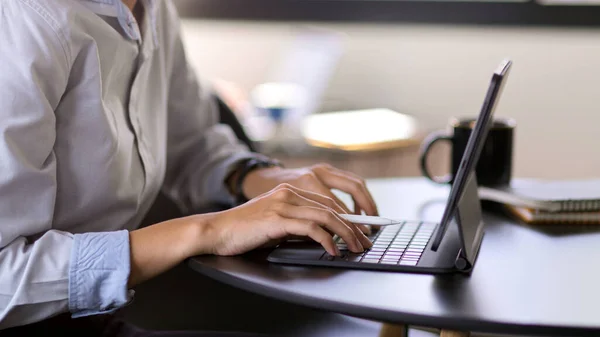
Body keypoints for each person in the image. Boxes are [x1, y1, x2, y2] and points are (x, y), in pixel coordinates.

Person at [0, 0, 378, 336]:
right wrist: (205, 231)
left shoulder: (151, 9)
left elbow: (190, 142)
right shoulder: (23, 22)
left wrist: (256, 177)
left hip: (89, 320)